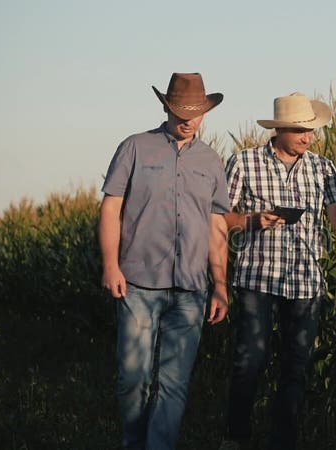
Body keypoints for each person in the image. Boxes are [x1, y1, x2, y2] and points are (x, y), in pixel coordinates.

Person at [221, 92, 336, 449]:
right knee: (250, 360)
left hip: (306, 282)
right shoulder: (244, 163)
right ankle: (236, 437)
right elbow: (221, 219)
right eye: (300, 130)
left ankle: (283, 440)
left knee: (296, 367)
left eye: (311, 130)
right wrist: (254, 221)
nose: (308, 137)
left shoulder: (323, 168)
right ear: (279, 130)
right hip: (258, 277)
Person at [99, 72, 231, 450]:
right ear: (165, 107)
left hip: (191, 289)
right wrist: (111, 265)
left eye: (196, 112)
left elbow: (217, 223)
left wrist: (219, 286)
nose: (188, 118)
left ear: (205, 112)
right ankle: (133, 441)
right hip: (138, 283)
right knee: (133, 378)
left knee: (175, 383)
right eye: (180, 110)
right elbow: (111, 207)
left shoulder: (211, 160)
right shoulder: (135, 147)